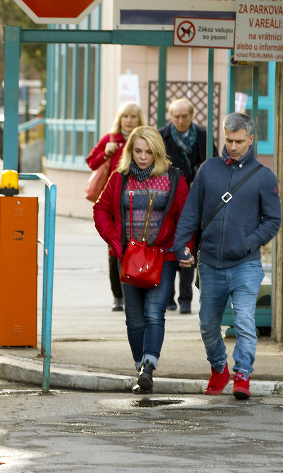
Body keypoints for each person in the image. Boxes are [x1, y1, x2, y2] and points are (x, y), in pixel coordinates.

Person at [172, 112, 281, 400]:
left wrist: (247, 244)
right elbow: (191, 213)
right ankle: (219, 368)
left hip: (246, 265)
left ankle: (242, 374)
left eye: (239, 142)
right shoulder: (209, 170)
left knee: (244, 319)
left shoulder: (263, 176)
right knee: (208, 324)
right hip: (210, 263)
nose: (233, 147)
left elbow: (273, 220)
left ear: (251, 140)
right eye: (229, 140)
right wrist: (182, 245)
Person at [93, 126, 194, 393]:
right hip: (127, 257)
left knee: (154, 313)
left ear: (158, 151)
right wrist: (115, 242)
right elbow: (101, 210)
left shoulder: (174, 178)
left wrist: (187, 248)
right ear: (130, 151)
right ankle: (141, 368)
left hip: (164, 257)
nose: (143, 157)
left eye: (149, 151)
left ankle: (148, 366)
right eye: (137, 151)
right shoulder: (119, 178)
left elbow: (187, 217)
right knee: (134, 318)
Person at [158, 97, 218, 315]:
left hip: (195, 201)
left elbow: (212, 164)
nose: (180, 120)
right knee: (167, 248)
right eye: (176, 116)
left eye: (184, 116)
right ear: (170, 116)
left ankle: (185, 299)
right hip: (167, 201)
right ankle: (167, 298)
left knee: (188, 248)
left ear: (192, 116)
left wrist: (199, 181)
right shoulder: (161, 136)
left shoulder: (202, 136)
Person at [86, 102, 145, 312]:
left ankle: (136, 291)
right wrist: (105, 154)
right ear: (119, 119)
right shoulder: (110, 139)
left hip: (139, 203)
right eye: (125, 116)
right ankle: (118, 295)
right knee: (115, 250)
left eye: (133, 117)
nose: (129, 120)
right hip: (113, 204)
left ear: (139, 120)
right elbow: (91, 162)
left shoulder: (144, 140)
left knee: (137, 248)